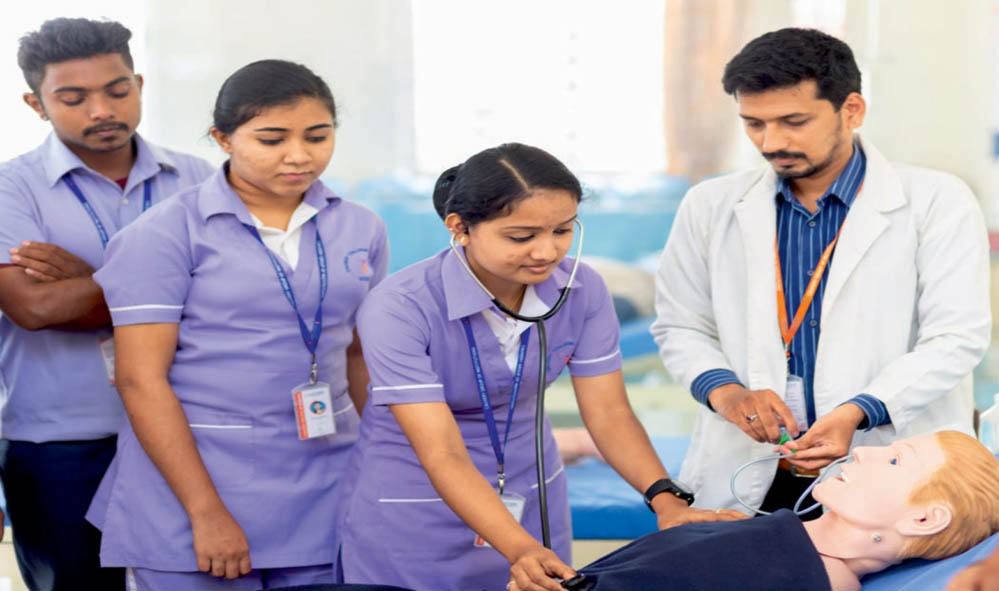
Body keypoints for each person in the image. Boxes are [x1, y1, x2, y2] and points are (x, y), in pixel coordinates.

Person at [336, 143, 744, 591]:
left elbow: (609, 413)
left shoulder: (581, 288)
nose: (547, 251)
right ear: (460, 228)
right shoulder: (400, 306)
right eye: (521, 236)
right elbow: (442, 452)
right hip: (418, 503)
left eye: (563, 230)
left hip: (530, 490)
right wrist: (520, 549)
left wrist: (666, 501)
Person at [651, 27, 990, 516]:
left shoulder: (937, 201)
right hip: (753, 471)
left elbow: (956, 337)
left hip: (890, 467)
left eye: (794, 121)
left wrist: (858, 410)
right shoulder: (709, 205)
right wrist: (726, 392)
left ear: (852, 110)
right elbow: (681, 326)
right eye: (754, 124)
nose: (772, 142)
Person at [85, 59, 388, 589]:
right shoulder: (165, 234)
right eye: (272, 139)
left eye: (318, 136)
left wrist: (382, 465)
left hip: (325, 484)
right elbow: (140, 380)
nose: (299, 155)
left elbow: (359, 354)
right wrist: (205, 514)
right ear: (222, 139)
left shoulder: (360, 227)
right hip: (196, 489)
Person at [0, 18, 214, 590]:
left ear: (138, 84)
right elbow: (34, 309)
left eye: (117, 90)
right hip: (63, 443)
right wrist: (172, 286)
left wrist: (89, 279)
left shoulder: (199, 180)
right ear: (36, 104)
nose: (101, 110)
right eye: (74, 99)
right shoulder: (9, 189)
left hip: (193, 431)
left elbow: (232, 300)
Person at [508, 430, 999, 591]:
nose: (865, 451)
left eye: (894, 460)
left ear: (923, 519)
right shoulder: (784, 536)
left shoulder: (820, 576)